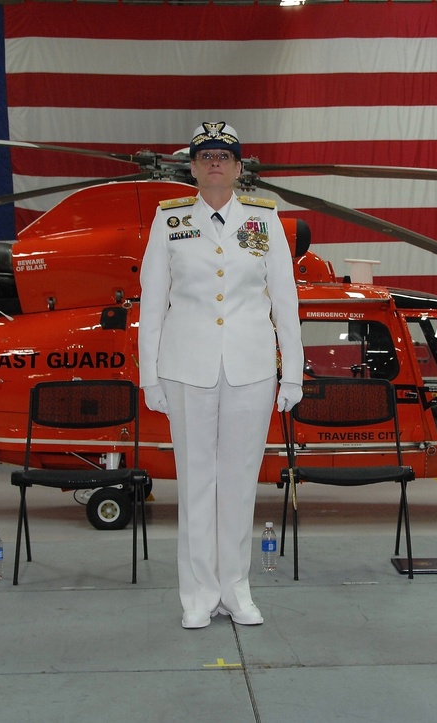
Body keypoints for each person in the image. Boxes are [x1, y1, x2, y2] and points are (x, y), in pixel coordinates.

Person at [138, 122, 303, 629]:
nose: (214, 163)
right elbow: (152, 303)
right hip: (186, 368)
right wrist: (150, 377)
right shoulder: (169, 221)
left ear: (238, 167)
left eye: (223, 156)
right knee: (194, 483)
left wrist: (292, 374)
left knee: (238, 484)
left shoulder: (264, 219)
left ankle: (236, 588)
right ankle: (197, 594)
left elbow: (285, 300)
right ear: (191, 166)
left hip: (250, 369)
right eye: (204, 155)